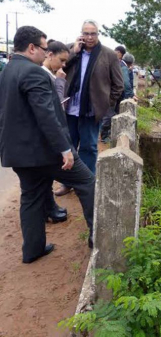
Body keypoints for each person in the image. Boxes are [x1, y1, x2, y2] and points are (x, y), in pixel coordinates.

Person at [0, 26, 96, 263]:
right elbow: (46, 115)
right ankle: (99, 237)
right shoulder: (35, 73)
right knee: (87, 182)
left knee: (31, 198)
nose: (46, 54)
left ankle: (32, 250)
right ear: (31, 48)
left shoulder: (7, 71)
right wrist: (65, 149)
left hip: (18, 153)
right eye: (44, 48)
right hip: (45, 152)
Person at [55, 20, 123, 196]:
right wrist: (73, 53)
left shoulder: (108, 55)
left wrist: (105, 105)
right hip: (69, 108)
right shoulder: (72, 50)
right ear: (81, 34)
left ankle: (86, 185)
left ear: (98, 35)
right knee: (68, 147)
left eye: (93, 33)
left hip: (91, 112)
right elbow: (58, 68)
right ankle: (67, 183)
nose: (89, 37)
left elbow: (118, 85)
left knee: (89, 148)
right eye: (86, 33)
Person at [40, 40, 71, 221]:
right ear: (49, 55)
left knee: (45, 177)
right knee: (42, 178)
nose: (63, 65)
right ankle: (49, 210)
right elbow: (56, 105)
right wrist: (60, 81)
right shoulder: (45, 76)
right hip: (46, 137)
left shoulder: (47, 73)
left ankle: (50, 208)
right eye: (62, 60)